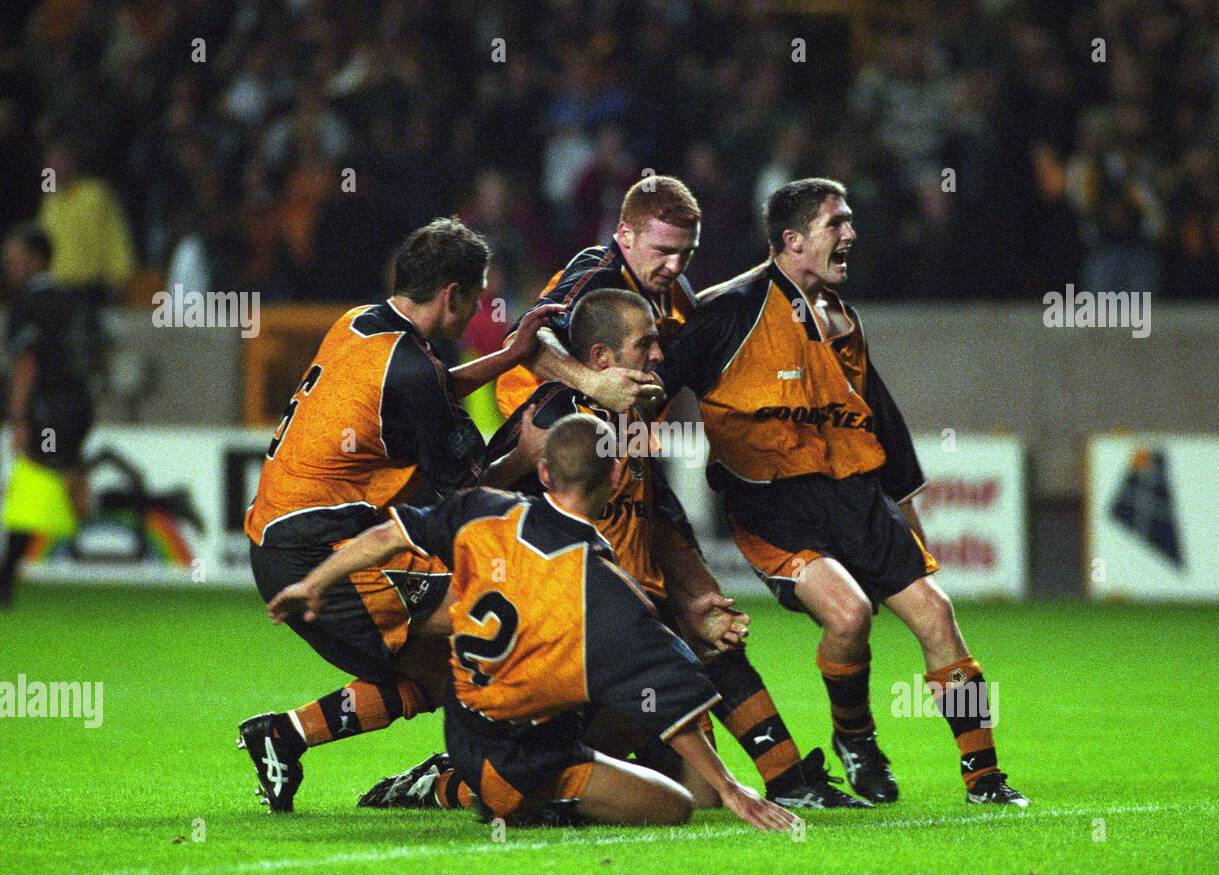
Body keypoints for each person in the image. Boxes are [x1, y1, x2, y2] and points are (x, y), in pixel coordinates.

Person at [364, 288, 866, 810]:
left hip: (624, 619)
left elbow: (649, 514)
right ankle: (450, 784)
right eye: (645, 343)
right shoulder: (555, 416)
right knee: (627, 738)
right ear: (602, 358)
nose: (658, 355)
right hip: (572, 642)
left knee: (696, 786)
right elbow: (478, 500)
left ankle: (779, 781)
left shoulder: (633, 414)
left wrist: (690, 591)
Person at [654, 179, 1029, 807]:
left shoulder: (840, 316)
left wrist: (908, 518)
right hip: (776, 509)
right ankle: (856, 737)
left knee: (937, 614)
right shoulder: (730, 310)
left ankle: (985, 778)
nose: (851, 234)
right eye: (838, 224)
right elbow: (657, 381)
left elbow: (881, 422)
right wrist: (621, 454)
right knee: (850, 615)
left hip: (857, 500)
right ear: (793, 240)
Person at [268, 414, 799, 831]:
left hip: (469, 722)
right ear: (616, 480)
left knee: (626, 709)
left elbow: (389, 535)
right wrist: (732, 789)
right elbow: (672, 703)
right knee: (680, 803)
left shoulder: (483, 510)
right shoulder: (603, 588)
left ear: (543, 471)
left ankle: (476, 781)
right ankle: (461, 791)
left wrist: (316, 581)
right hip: (521, 757)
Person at [236, 218, 556, 812]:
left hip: (286, 543)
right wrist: (532, 454)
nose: (476, 313)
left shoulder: (357, 324)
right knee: (507, 624)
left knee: (434, 673)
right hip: (326, 553)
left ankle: (284, 735)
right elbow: (469, 496)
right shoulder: (411, 368)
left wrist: (508, 356)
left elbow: (424, 387)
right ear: (451, 295)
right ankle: (498, 778)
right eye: (475, 298)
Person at [493, 174, 702, 419]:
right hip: (537, 420)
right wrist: (593, 384)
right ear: (626, 235)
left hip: (608, 431)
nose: (675, 266)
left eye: (686, 253)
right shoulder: (597, 273)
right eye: (663, 251)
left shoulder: (675, 291)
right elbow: (520, 339)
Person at [1, 223, 100, 607]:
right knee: (68, 479)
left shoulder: (26, 304)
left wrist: (19, 417)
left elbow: (27, 363)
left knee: (30, 487)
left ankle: (5, 578)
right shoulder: (72, 300)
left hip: (47, 407)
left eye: (13, 257)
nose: (7, 264)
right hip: (79, 403)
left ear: (35, 259)